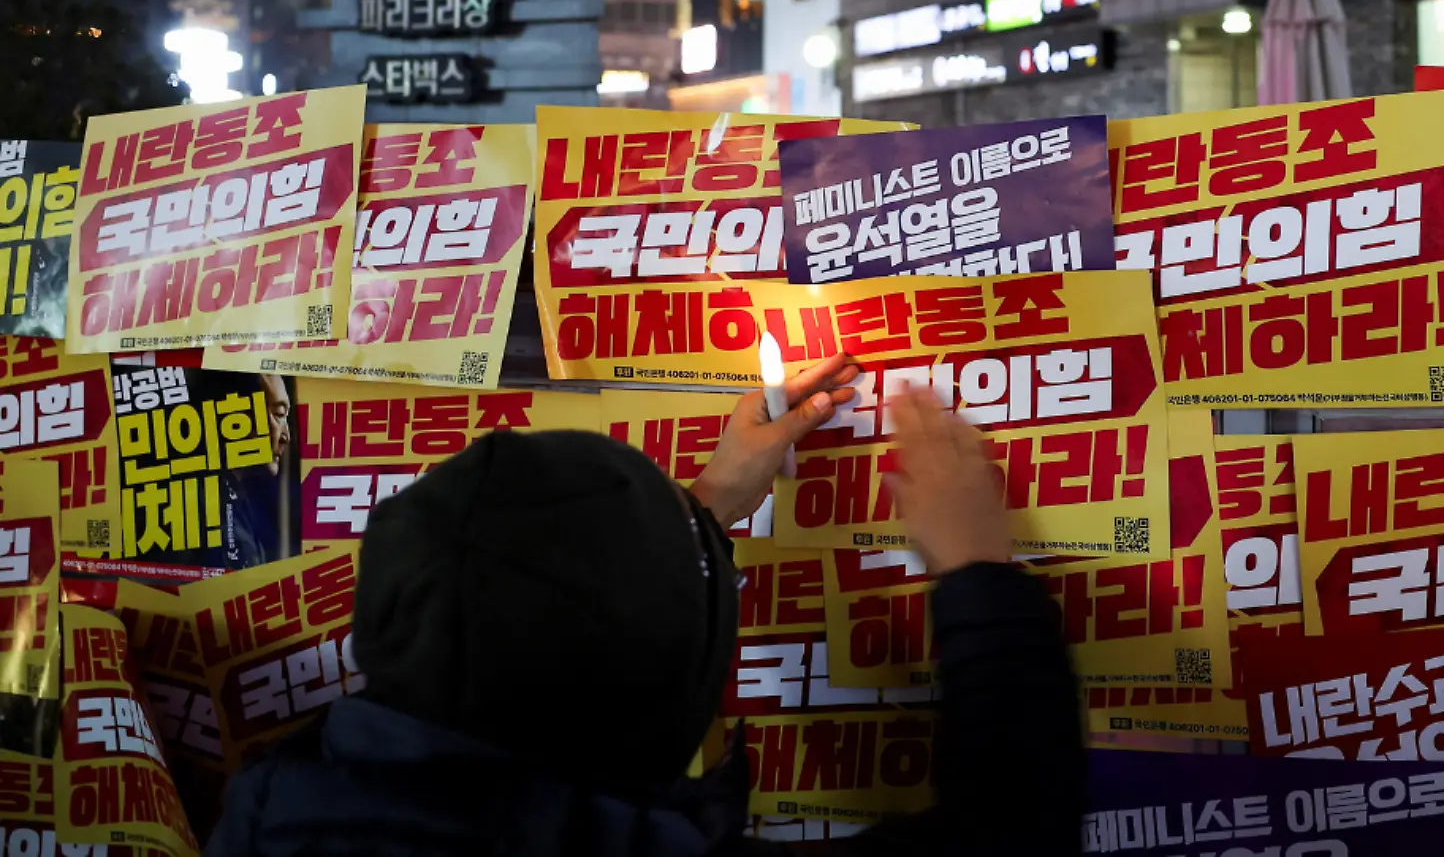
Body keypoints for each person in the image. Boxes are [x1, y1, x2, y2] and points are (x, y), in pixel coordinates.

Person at [205, 353, 1085, 857]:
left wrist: (698, 512)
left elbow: (537, 607)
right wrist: (978, 572)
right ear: (662, 681)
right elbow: (1013, 832)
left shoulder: (266, 814)